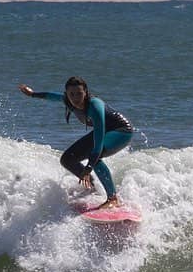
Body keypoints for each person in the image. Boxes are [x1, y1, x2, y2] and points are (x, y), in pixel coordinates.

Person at [19, 77, 134, 209]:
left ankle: (113, 198)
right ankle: (92, 188)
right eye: (71, 94)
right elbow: (51, 96)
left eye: (79, 93)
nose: (75, 98)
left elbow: (98, 141)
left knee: (95, 156)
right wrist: (32, 94)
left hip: (121, 131)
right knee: (67, 159)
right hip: (105, 131)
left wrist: (89, 167)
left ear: (85, 92)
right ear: (67, 94)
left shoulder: (94, 106)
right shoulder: (68, 101)